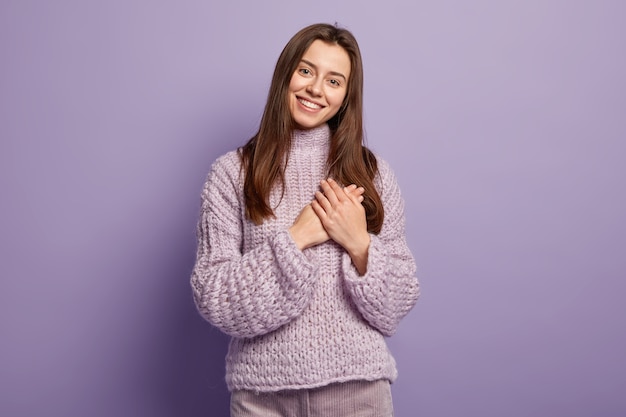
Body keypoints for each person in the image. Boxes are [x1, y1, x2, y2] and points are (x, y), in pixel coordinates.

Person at [191, 23, 420, 417]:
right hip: (262, 399)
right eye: (306, 70)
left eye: (334, 80)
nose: (316, 89)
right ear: (286, 74)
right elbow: (215, 298)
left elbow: (395, 307)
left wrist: (358, 243)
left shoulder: (372, 173)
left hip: (357, 394)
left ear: (347, 95)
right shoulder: (232, 173)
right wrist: (296, 238)